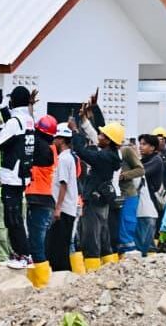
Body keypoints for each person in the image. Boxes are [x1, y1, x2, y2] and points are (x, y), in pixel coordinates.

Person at [73, 99, 123, 271]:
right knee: (103, 235)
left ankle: (92, 273)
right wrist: (94, 110)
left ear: (108, 141)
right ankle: (110, 268)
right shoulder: (113, 154)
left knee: (90, 237)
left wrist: (76, 132)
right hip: (103, 199)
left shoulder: (103, 157)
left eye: (102, 136)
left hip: (94, 200)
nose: (98, 136)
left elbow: (82, 152)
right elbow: (102, 129)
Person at [0, 86, 36, 270]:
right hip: (23, 175)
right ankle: (21, 254)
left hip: (11, 176)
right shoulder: (28, 120)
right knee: (16, 216)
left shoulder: (15, 122)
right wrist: (0, 106)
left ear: (14, 101)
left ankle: (23, 255)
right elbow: (13, 122)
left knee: (13, 217)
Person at [23, 115, 59, 288]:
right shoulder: (51, 149)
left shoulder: (44, 150)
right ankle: (37, 281)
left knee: (36, 243)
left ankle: (42, 284)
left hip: (39, 199)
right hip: (45, 200)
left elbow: (32, 140)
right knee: (36, 242)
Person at [47, 123, 80, 273]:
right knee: (59, 245)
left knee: (59, 246)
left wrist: (58, 208)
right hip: (66, 208)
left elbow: (63, 184)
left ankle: (63, 274)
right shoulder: (67, 158)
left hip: (64, 208)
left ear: (62, 139)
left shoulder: (65, 159)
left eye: (56, 137)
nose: (54, 140)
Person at [116, 133, 145, 255]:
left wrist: (124, 176)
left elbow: (140, 170)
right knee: (118, 226)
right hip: (115, 196)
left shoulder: (126, 151)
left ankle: (129, 252)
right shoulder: (108, 153)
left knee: (127, 224)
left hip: (128, 194)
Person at [137, 133, 164, 255]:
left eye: (144, 144)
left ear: (153, 147)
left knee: (145, 241)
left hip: (150, 204)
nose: (140, 147)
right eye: (140, 144)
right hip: (143, 203)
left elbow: (140, 171)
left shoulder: (156, 160)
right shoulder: (144, 160)